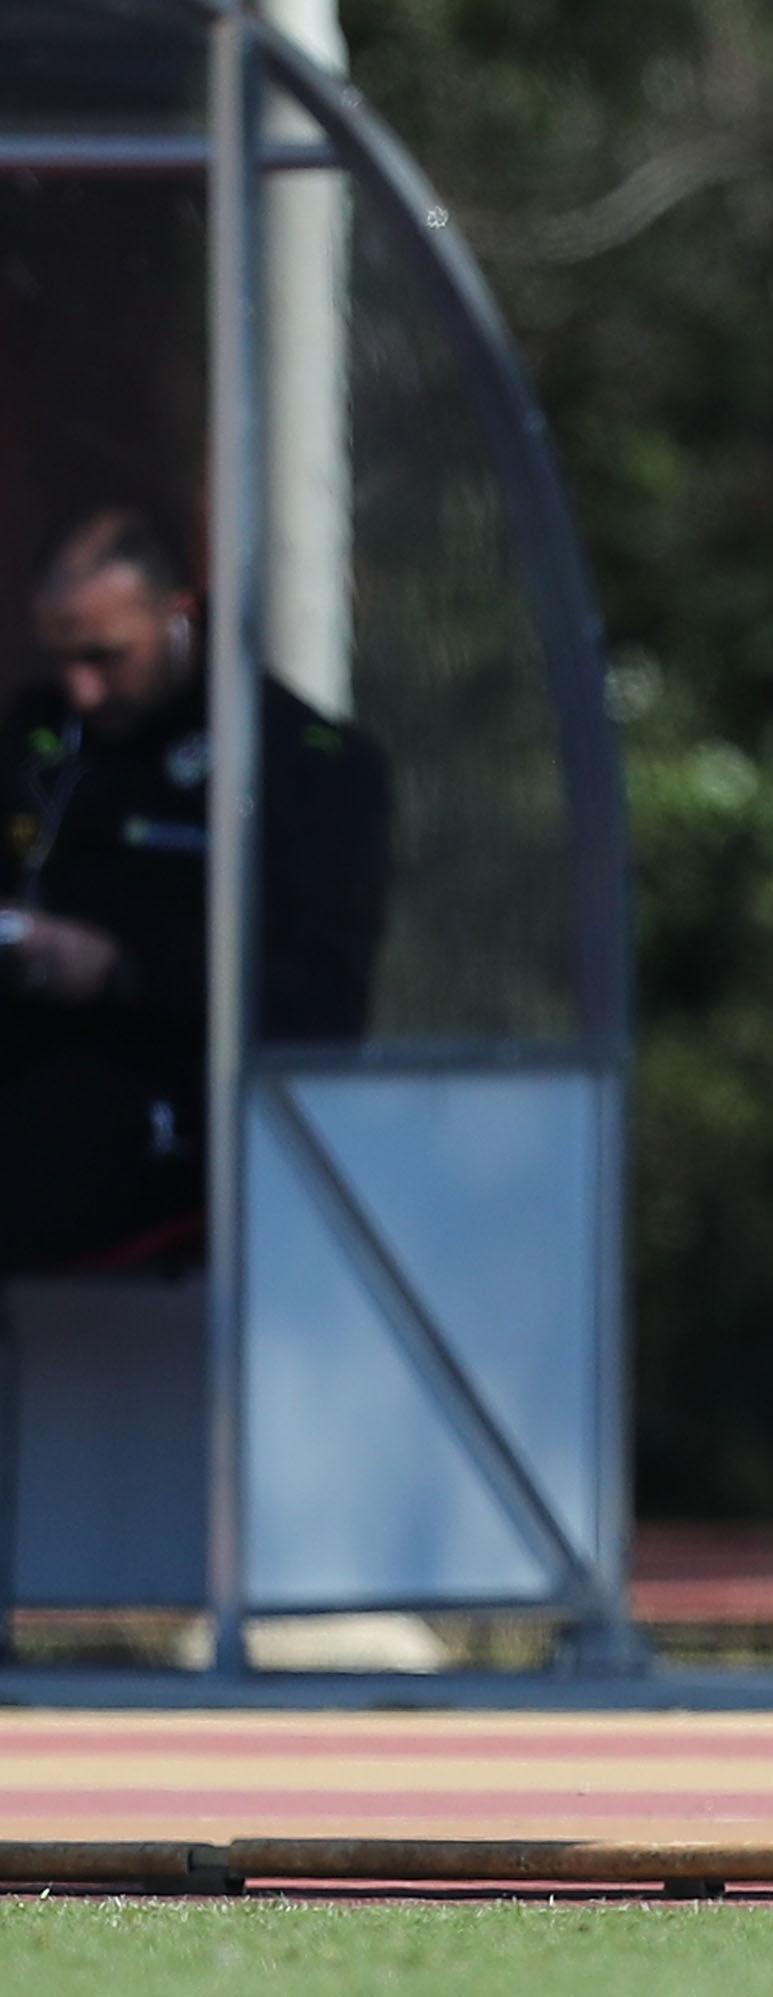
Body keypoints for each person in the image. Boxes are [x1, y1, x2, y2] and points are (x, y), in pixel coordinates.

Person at [0, 505, 391, 1657]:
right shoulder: (37, 740)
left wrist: (117, 967)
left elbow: (320, 1000)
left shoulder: (299, 763)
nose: (78, 687)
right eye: (58, 654)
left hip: (187, 1114)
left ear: (178, 615)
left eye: (103, 654)